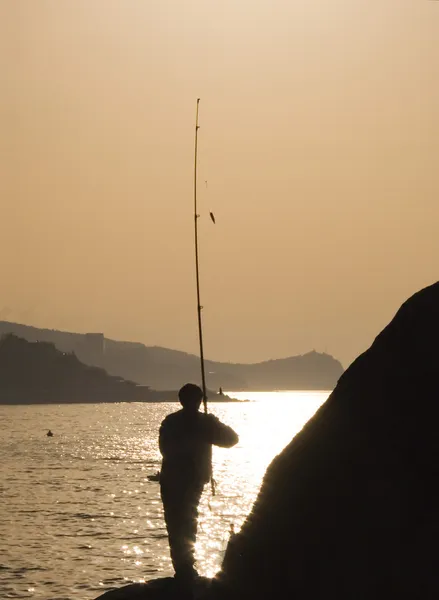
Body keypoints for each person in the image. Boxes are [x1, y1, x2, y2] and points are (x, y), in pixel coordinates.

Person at [159, 383, 239, 583]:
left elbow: (165, 450)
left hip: (171, 482)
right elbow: (232, 439)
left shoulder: (170, 422)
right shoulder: (205, 423)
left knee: (176, 524)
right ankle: (186, 568)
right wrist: (210, 423)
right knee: (187, 523)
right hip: (191, 481)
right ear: (199, 401)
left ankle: (183, 568)